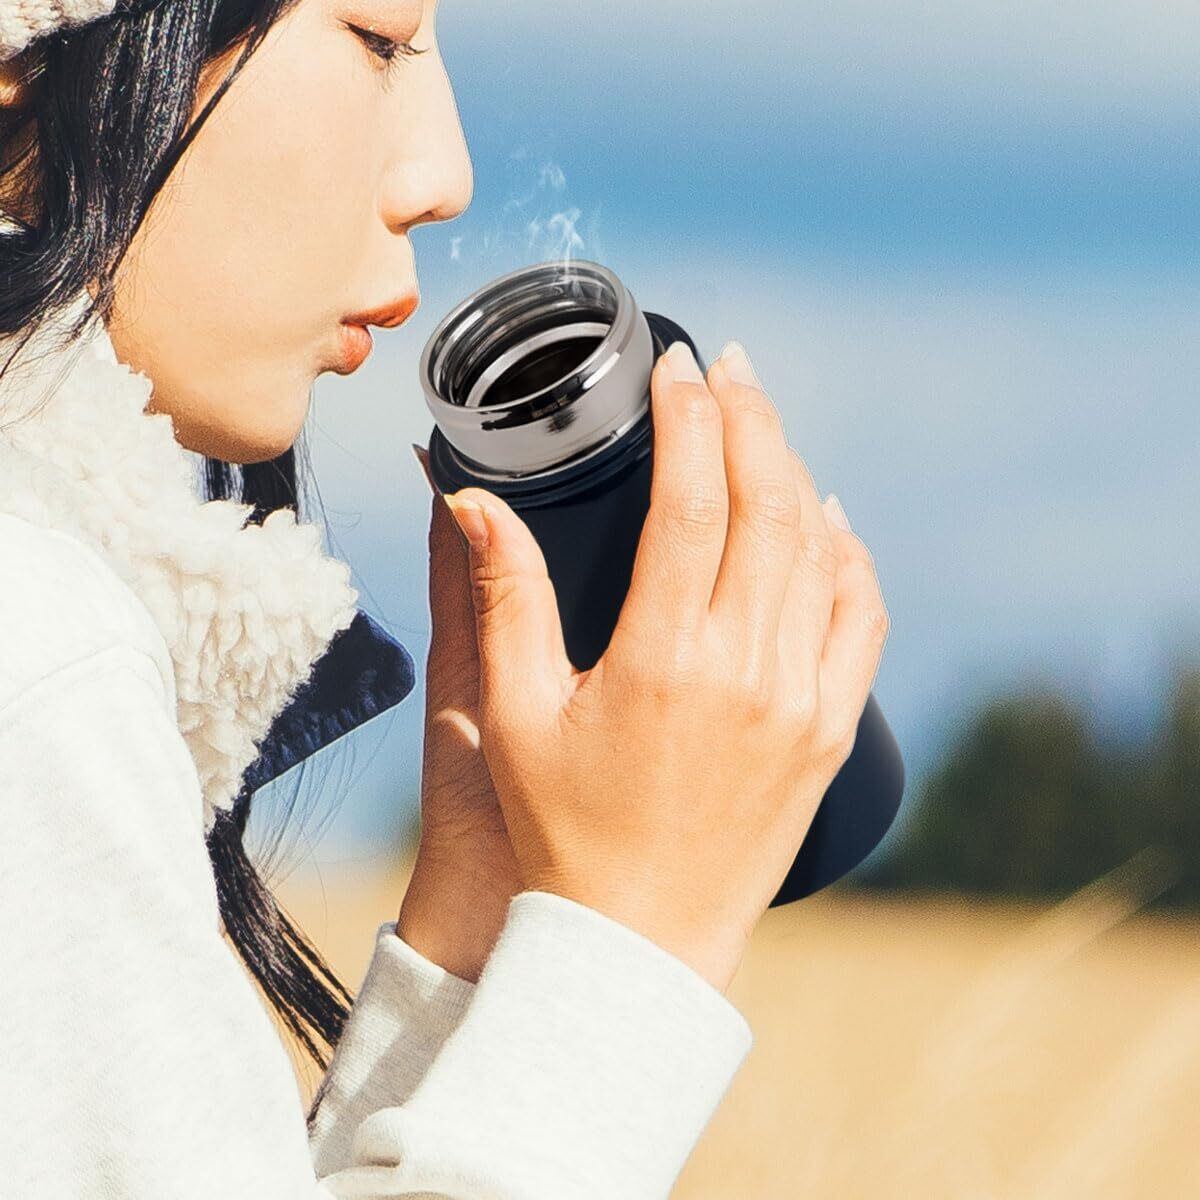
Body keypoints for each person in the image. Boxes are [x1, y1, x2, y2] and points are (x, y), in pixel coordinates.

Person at [0, 0, 890, 1196]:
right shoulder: (38, 650)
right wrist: (629, 938)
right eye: (378, 36)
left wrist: (474, 931)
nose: (445, 173)